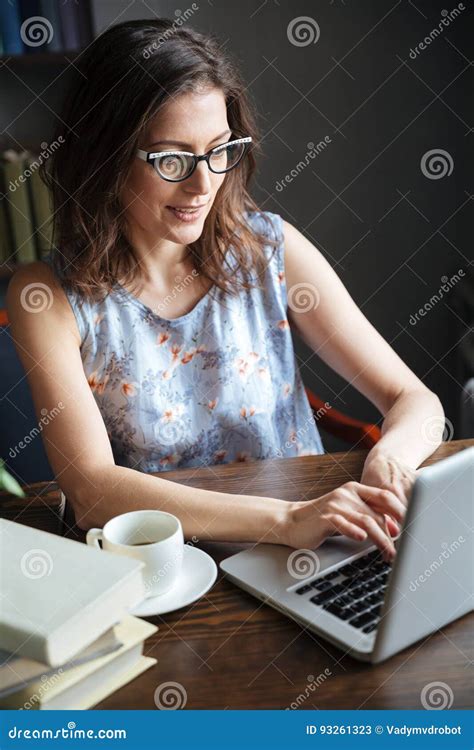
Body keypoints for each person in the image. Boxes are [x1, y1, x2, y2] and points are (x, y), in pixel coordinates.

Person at [7, 20, 445, 559]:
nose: (203, 184)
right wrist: (284, 520)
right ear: (104, 156)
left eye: (219, 150)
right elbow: (92, 492)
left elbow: (416, 401)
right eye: (172, 159)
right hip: (180, 573)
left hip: (320, 545)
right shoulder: (47, 296)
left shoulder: (269, 249)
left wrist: (391, 461)